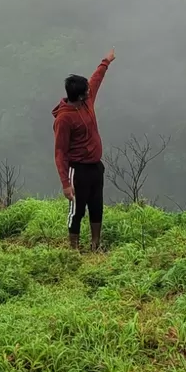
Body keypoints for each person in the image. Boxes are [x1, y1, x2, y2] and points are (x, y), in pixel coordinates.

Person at [53, 48, 115, 251]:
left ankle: (96, 245)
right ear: (78, 96)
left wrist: (105, 62)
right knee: (76, 211)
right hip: (77, 170)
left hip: (95, 167)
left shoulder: (86, 102)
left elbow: (95, 80)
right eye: (86, 91)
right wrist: (65, 183)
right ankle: (74, 251)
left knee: (96, 206)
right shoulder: (64, 119)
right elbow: (60, 152)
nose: (90, 91)